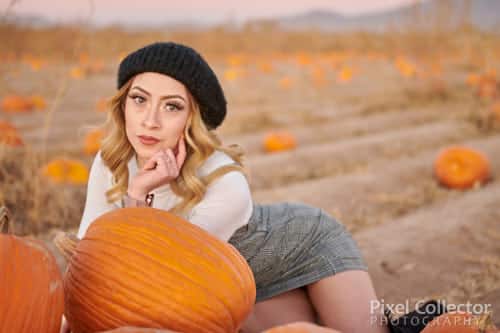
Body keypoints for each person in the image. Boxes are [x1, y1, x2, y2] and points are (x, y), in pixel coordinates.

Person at [61, 41, 427, 333]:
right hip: (235, 286)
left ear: (193, 120)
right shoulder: (109, 161)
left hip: (301, 247)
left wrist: (138, 196)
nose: (150, 121)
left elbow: (156, 276)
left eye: (171, 107)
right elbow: (88, 258)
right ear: (123, 104)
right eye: (139, 100)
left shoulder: (226, 182)